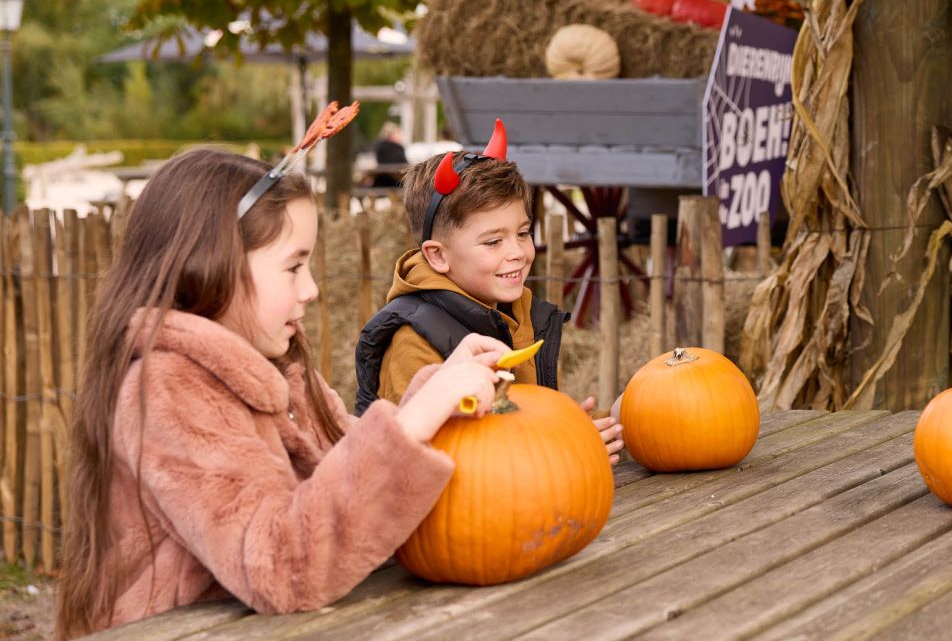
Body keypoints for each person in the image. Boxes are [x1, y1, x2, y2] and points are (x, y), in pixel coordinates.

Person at [54, 135, 514, 636]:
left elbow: (347, 468)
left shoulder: (278, 369)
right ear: (212, 267)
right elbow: (281, 566)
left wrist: (438, 389)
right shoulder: (169, 389)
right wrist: (414, 421)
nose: (312, 288)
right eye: (294, 266)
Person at [354, 120, 624, 463]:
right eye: (493, 241)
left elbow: (520, 423)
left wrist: (598, 422)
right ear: (438, 255)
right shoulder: (413, 343)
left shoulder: (516, 312)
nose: (517, 252)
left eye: (523, 233)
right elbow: (433, 463)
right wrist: (562, 450)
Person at [371, 121, 409, 187]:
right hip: (397, 183)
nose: (400, 136)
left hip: (380, 182)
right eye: (398, 133)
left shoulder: (379, 147)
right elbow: (405, 165)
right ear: (391, 135)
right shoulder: (398, 149)